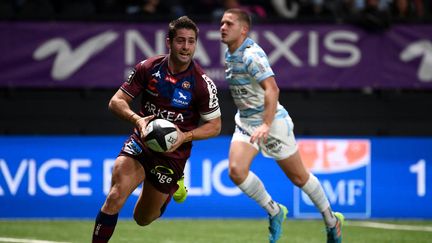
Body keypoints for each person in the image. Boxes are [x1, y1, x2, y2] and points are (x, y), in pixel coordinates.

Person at [91, 16, 221, 243]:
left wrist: (185, 136)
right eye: (180, 41)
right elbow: (116, 102)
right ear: (168, 42)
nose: (186, 47)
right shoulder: (148, 68)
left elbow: (215, 126)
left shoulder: (201, 83)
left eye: (191, 41)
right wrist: (137, 120)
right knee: (115, 196)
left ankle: (173, 184)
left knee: (142, 218)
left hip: (172, 155)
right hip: (142, 142)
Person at [219, 8, 344, 243]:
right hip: (246, 122)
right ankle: (275, 211)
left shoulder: (251, 55)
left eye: (229, 24)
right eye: (222, 23)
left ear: (243, 30)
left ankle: (331, 219)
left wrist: (266, 124)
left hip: (272, 123)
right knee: (236, 172)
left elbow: (272, 89)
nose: (222, 27)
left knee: (299, 178)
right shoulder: (230, 53)